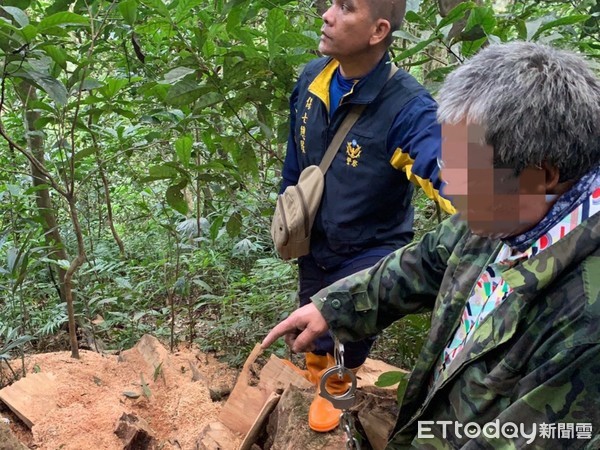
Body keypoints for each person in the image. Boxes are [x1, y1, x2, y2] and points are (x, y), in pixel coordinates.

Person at [265, 41, 600, 448]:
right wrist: (333, 308)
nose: (452, 184)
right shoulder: (505, 214)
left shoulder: (585, 322)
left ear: (541, 175)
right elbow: (426, 262)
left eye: (469, 170)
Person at [278, 0, 455, 432]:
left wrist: (492, 201)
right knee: (311, 303)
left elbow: (453, 169)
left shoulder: (409, 106)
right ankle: (317, 366)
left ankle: (340, 378)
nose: (327, 15)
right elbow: (295, 157)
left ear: (377, 31)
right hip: (315, 233)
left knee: (345, 322)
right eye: (332, 4)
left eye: (346, 8)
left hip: (369, 245)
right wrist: (288, 208)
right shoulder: (311, 79)